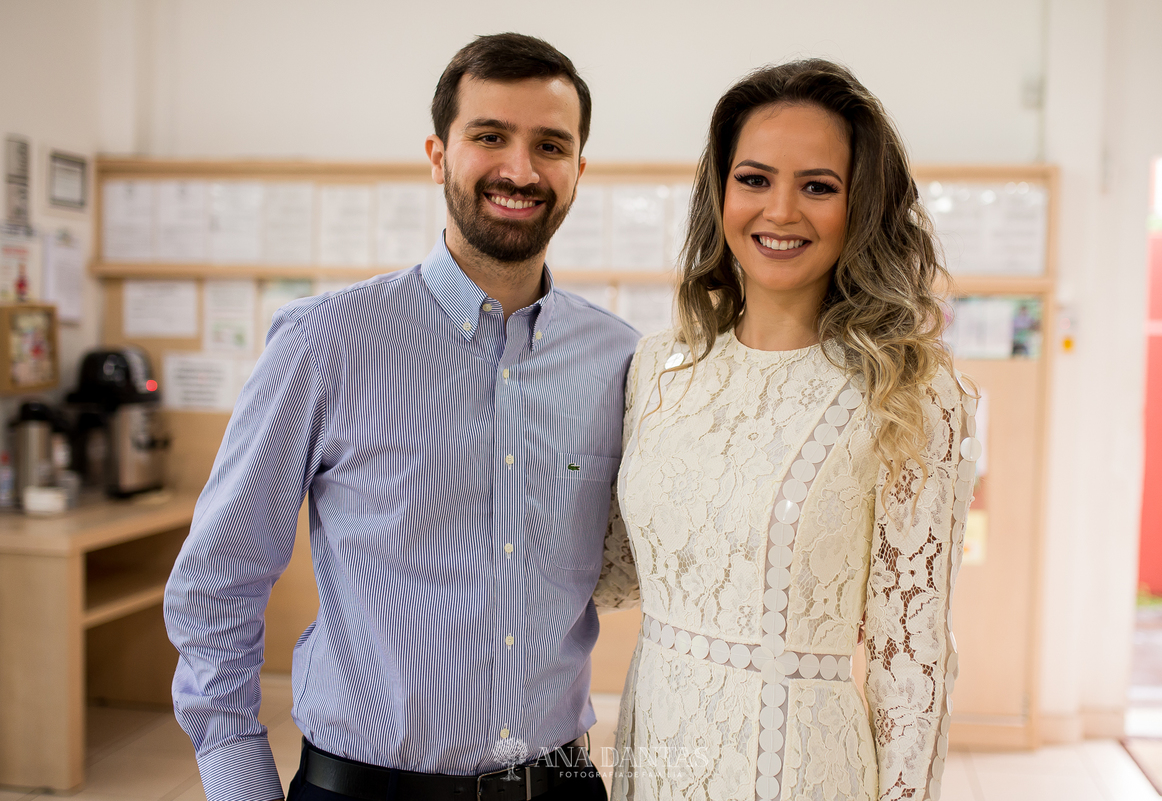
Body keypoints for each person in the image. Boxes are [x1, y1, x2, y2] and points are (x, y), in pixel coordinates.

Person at [164, 33, 637, 801]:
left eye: (550, 144)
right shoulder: (324, 342)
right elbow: (220, 577)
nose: (520, 170)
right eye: (490, 136)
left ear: (578, 170)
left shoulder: (616, 359)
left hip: (560, 783)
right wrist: (239, 779)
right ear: (437, 153)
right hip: (366, 787)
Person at [594, 59, 979, 801]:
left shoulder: (907, 390)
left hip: (799, 770)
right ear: (720, 193)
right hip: (657, 753)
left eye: (818, 186)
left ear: (860, 206)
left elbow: (912, 659)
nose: (781, 211)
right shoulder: (658, 368)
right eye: (755, 179)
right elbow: (617, 575)